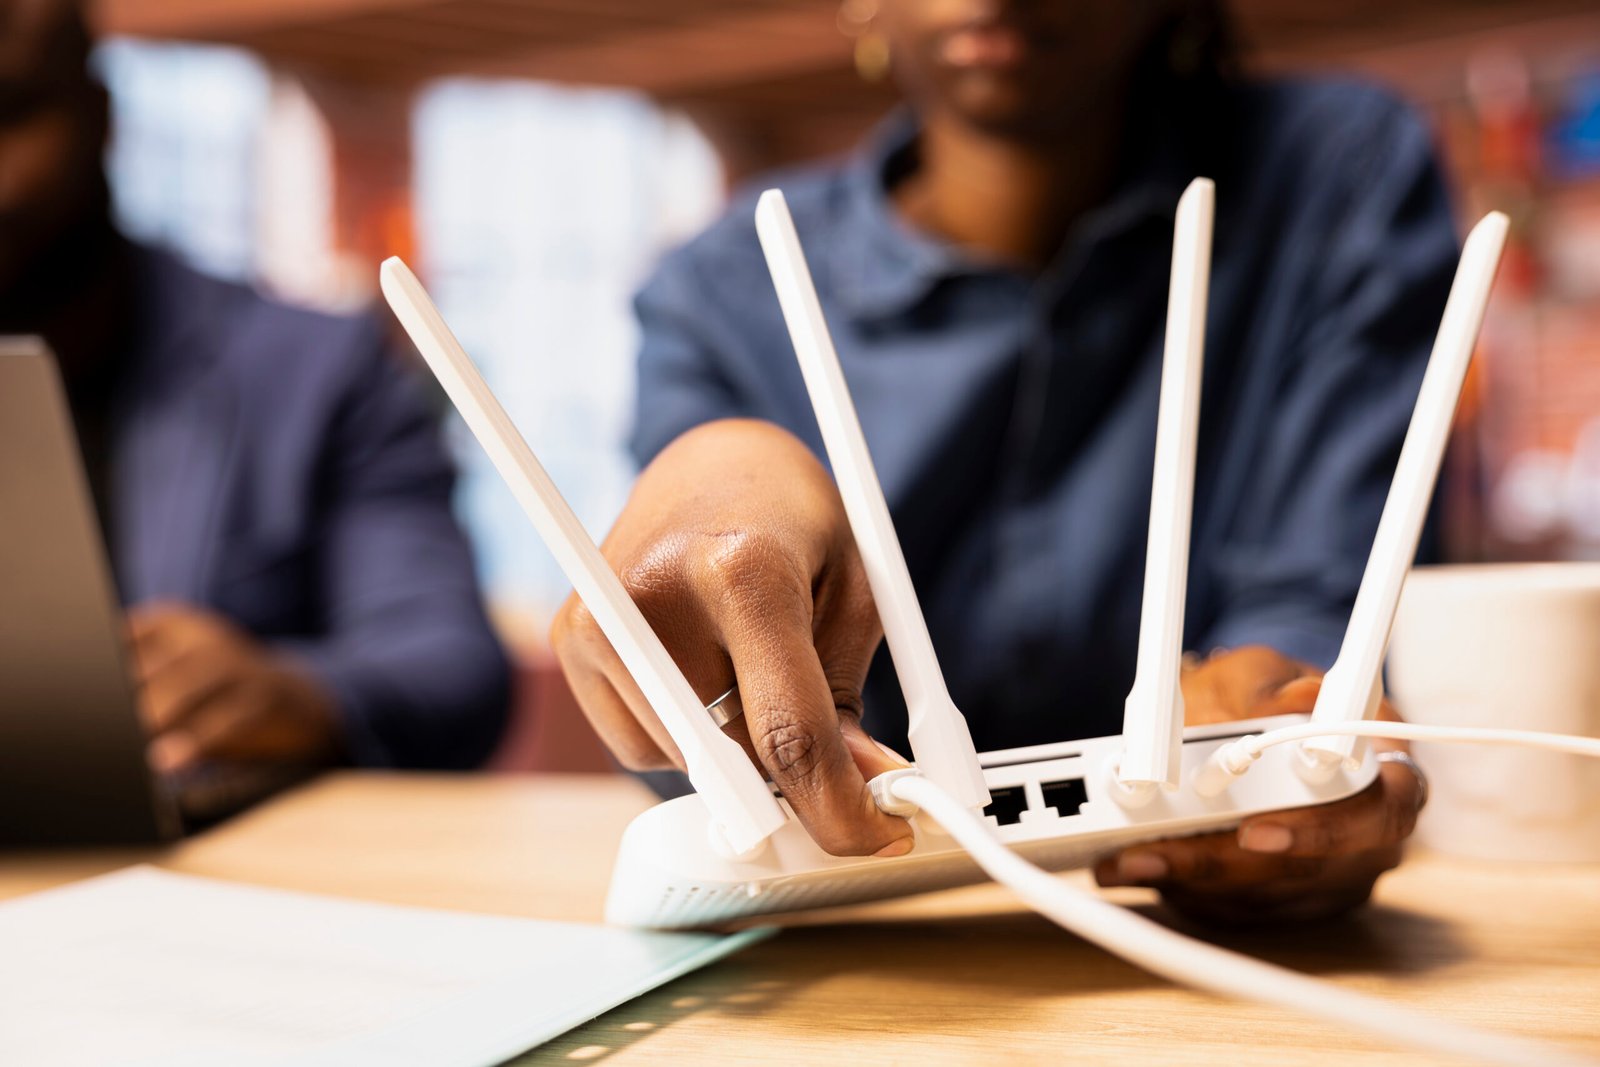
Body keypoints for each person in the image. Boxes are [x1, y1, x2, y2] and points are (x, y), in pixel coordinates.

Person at [553, 0, 1457, 925]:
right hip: (869, 938)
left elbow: (1322, 605)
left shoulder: (1330, 175)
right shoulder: (725, 289)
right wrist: (719, 479)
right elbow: (708, 755)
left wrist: (1287, 724)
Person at [0, 0, 510, 815]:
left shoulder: (316, 369)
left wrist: (298, 692)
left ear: (100, 116)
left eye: (11, 114)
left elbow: (451, 665)